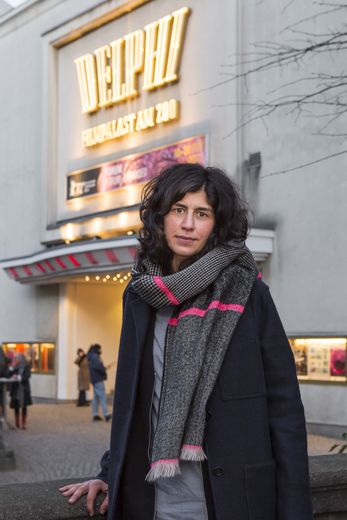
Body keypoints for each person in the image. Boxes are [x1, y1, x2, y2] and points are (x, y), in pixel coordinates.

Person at [60, 164, 313, 519]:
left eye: (202, 213)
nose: (188, 224)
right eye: (178, 210)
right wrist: (107, 473)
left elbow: (284, 410)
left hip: (233, 501)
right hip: (152, 504)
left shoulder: (248, 291)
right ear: (160, 217)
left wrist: (295, 510)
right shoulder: (140, 295)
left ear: (216, 225)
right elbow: (137, 403)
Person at [87, 344, 111, 422]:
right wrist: (104, 369)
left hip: (94, 379)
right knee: (102, 397)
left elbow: (95, 367)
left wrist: (103, 368)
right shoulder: (95, 357)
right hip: (98, 379)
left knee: (96, 398)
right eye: (100, 349)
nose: (101, 350)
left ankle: (95, 414)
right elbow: (98, 367)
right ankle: (106, 414)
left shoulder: (91, 356)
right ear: (97, 349)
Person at [9, 352, 32, 430]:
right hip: (16, 388)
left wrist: (20, 377)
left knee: (24, 406)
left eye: (17, 358)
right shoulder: (15, 366)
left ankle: (23, 424)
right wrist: (12, 368)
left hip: (23, 388)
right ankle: (17, 424)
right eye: (16, 358)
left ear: (21, 358)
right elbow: (9, 374)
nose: (16, 359)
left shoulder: (26, 366)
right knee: (16, 406)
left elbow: (28, 375)